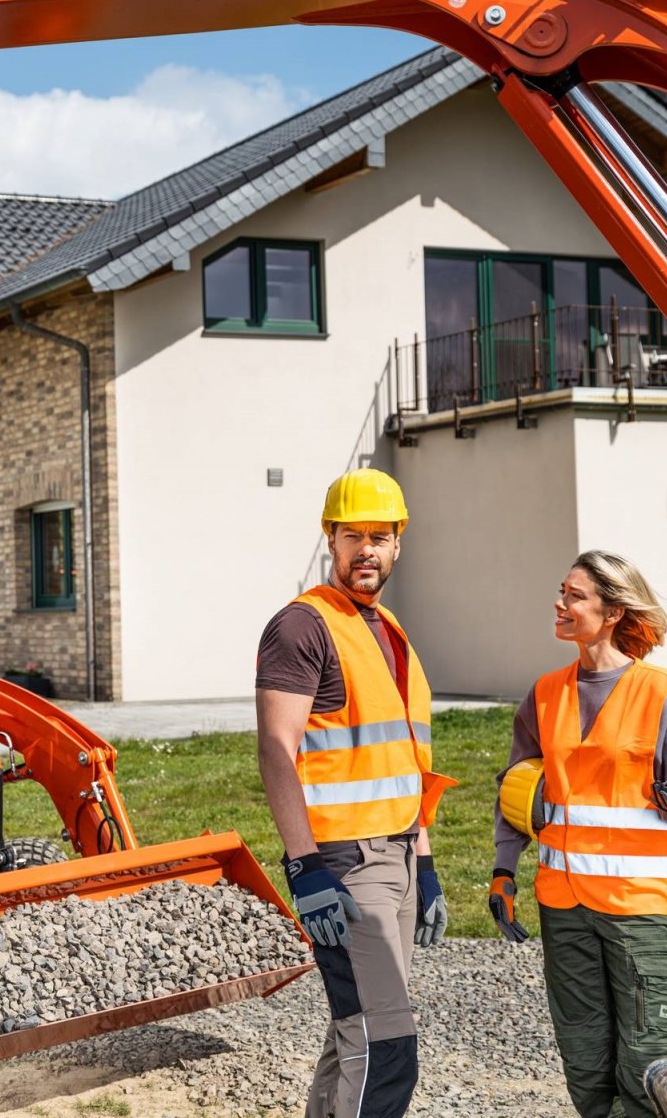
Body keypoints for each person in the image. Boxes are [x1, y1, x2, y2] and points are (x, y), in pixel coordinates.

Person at [488, 550, 667, 1118]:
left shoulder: (661, 691)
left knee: (645, 1062)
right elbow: (517, 790)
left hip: (637, 909)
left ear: (613, 611)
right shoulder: (544, 695)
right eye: (561, 591)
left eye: (575, 595)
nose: (560, 603)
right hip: (564, 907)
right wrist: (502, 872)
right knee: (585, 1063)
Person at [256, 469, 454, 1118]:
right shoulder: (303, 626)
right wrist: (304, 866)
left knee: (355, 1038)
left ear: (399, 543)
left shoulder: (387, 630)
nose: (365, 549)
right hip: (342, 863)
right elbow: (275, 749)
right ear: (330, 540)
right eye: (351, 536)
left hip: (394, 855)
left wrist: (422, 863)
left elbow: (404, 762)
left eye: (380, 536)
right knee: (387, 1045)